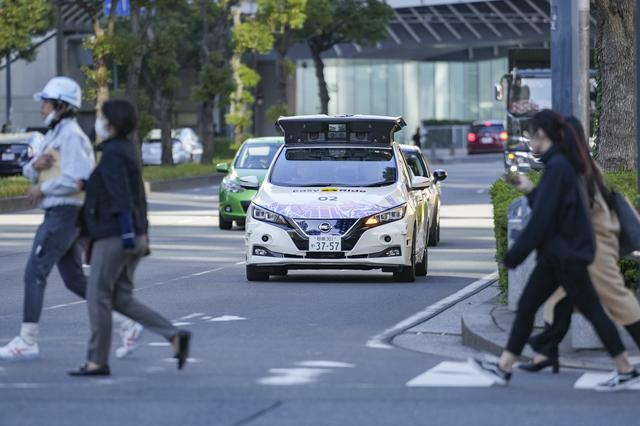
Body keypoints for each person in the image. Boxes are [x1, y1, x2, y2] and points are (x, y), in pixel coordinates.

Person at [469, 109, 640, 391]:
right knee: (536, 306)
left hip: (569, 256)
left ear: (542, 135)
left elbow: (543, 219)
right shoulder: (566, 166)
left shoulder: (563, 167)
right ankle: (514, 364)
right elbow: (552, 210)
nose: (529, 142)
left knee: (598, 309)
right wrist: (528, 189)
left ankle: (618, 367)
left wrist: (513, 257)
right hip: (560, 256)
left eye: (531, 135)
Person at [0, 77, 143, 361]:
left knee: (34, 271)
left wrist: (44, 187)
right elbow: (34, 171)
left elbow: (79, 179)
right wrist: (34, 167)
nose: (41, 107)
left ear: (62, 106)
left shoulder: (72, 136)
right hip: (60, 213)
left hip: (66, 213)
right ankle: (127, 322)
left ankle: (28, 339)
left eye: (46, 102)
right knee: (75, 280)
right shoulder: (54, 134)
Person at [68, 99, 191, 376]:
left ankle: (97, 360)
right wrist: (141, 234)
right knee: (121, 298)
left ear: (112, 123)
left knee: (97, 295)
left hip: (115, 236)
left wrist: (126, 234)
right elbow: (134, 194)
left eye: (102, 117)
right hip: (132, 235)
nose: (99, 121)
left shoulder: (112, 154)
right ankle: (174, 335)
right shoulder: (127, 151)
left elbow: (122, 198)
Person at [518, 116, 640, 374]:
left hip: (595, 247)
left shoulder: (575, 169)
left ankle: (621, 365)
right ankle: (545, 354)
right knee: (559, 298)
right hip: (585, 245)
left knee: (616, 300)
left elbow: (559, 212)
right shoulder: (582, 165)